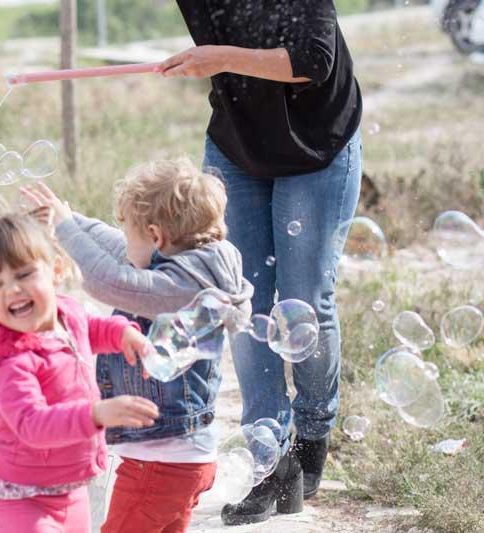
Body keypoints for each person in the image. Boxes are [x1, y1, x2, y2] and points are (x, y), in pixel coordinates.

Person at [161, 0, 364, 525]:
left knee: (305, 302)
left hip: (317, 145)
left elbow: (314, 59)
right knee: (241, 303)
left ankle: (312, 433)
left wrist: (220, 57)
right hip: (237, 146)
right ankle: (270, 463)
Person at [20, 157, 253, 533]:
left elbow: (107, 279)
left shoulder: (179, 289)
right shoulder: (197, 265)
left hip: (159, 464)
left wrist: (65, 229)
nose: (125, 240)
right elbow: (120, 251)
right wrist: (70, 219)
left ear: (157, 236)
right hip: (183, 459)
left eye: (130, 232)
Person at [0, 213, 160, 533]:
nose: (12, 290)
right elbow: (33, 424)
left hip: (72, 493)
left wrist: (123, 334)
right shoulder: (10, 360)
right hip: (21, 503)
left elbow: (89, 329)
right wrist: (96, 414)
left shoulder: (66, 312)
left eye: (24, 274)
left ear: (56, 271)